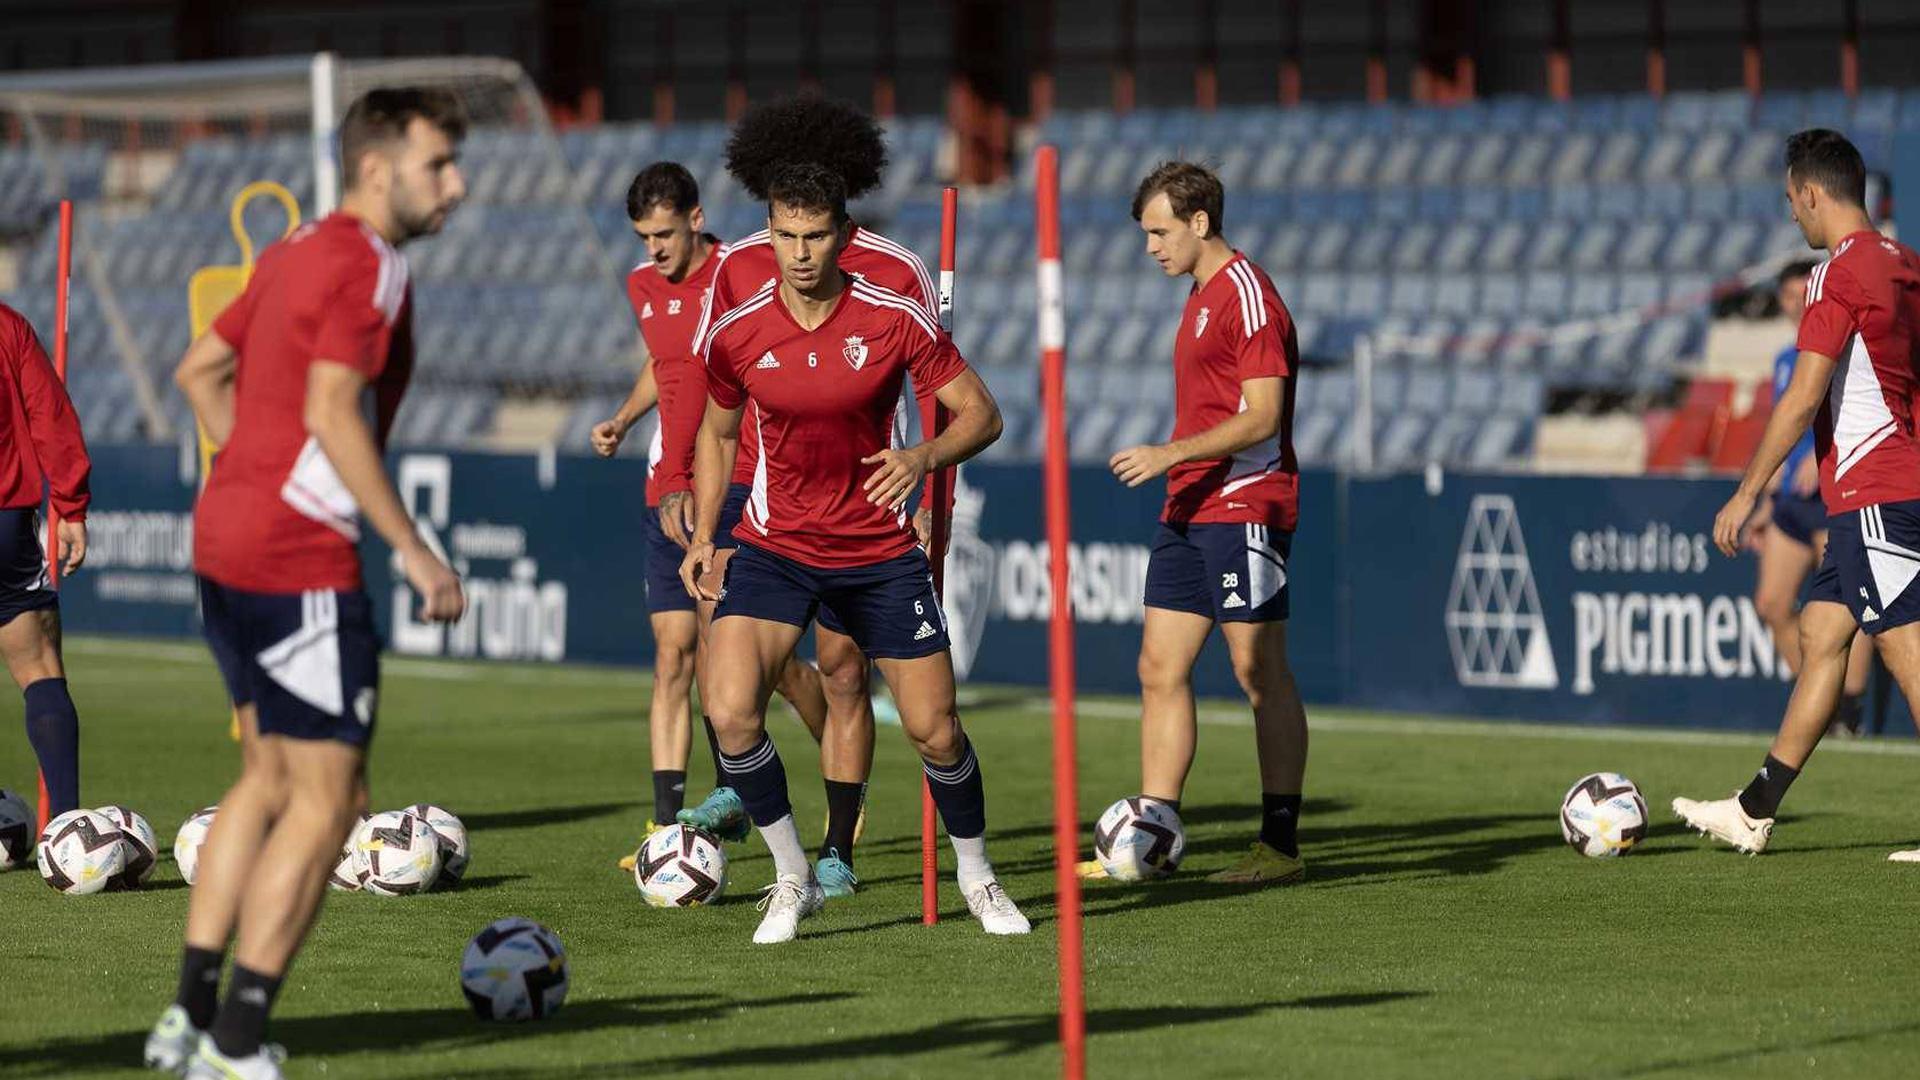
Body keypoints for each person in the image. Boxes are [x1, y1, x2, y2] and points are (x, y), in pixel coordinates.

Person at [146, 88, 469, 1080]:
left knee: (269, 780)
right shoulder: (370, 265)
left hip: (223, 535)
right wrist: (412, 546)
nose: (456, 185)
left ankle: (186, 1021)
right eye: (438, 165)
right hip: (298, 558)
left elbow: (199, 371)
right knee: (331, 803)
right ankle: (236, 1044)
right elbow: (335, 410)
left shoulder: (287, 254)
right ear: (377, 168)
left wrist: (250, 461)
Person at [681, 162, 1025, 943]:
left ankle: (978, 876)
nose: (800, 252)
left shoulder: (894, 315)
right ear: (769, 233)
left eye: (815, 235)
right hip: (775, 547)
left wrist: (924, 459)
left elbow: (983, 413)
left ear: (842, 236)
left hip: (876, 548)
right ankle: (792, 877)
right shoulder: (737, 332)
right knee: (730, 711)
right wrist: (706, 535)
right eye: (785, 235)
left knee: (936, 729)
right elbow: (719, 432)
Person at [674, 95, 939, 895]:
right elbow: (713, 390)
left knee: (844, 670)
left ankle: (839, 844)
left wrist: (931, 493)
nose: (794, 240)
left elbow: (937, 393)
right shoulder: (737, 266)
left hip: (864, 487)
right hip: (763, 488)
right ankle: (743, 778)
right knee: (737, 660)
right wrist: (699, 510)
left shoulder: (898, 272)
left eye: (812, 217)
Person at [1677, 129, 1920, 859]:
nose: (1792, 217)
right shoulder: (1906, 265)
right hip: (1879, 489)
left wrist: (1746, 492)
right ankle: (1753, 810)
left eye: (1791, 201)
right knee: (1820, 636)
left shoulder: (1837, 273)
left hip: (1876, 488)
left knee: (1906, 649)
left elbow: (1802, 393)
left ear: (1813, 194)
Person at [590, 163, 830, 868]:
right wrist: (625, 420)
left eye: (664, 233)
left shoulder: (744, 271)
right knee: (675, 656)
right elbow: (666, 367)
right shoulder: (642, 286)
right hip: (664, 488)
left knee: (764, 665)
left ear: (696, 218)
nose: (654, 250)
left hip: (731, 481)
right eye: (643, 237)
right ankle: (671, 829)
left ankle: (837, 761)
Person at [1080, 161, 1308, 886]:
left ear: (1200, 222)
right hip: (1190, 503)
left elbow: (1263, 416)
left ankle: (1279, 846)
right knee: (1159, 668)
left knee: (1256, 669)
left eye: (1159, 231)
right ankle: (1152, 836)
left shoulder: (1248, 295)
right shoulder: (1199, 294)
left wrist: (1168, 451)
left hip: (1244, 499)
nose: (1150, 246)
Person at [1748, 260, 1872, 733]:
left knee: (1846, 608)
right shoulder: (1786, 359)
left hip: (1831, 493)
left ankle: (1849, 711)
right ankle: (1818, 705)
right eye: (1786, 297)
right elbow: (1785, 430)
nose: (1794, 305)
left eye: (1802, 295)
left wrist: (1823, 457)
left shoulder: (1841, 350)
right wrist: (1764, 500)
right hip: (1790, 503)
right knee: (1772, 605)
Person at [0, 302, 89, 821]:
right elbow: (49, 414)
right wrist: (71, 504)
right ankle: (68, 832)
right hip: (5, 518)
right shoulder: (7, 326)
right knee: (37, 665)